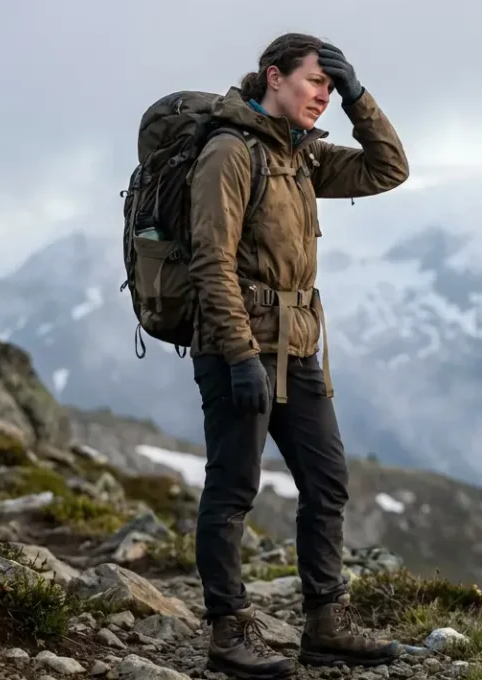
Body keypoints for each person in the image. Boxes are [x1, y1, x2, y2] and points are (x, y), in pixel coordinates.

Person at [185, 32, 409, 679]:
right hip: (240, 349)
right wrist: (237, 355)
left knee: (327, 479)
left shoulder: (302, 157)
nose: (324, 97)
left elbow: (388, 168)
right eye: (317, 83)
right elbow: (211, 261)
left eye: (332, 88)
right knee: (232, 488)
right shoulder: (230, 153)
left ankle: (324, 625)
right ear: (273, 77)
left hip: (299, 347)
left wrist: (361, 98)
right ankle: (227, 632)